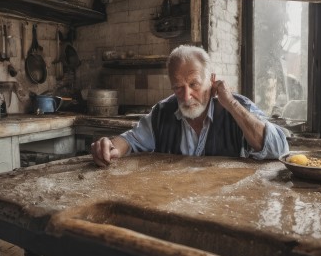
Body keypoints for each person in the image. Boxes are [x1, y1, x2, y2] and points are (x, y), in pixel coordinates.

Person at [91, 45, 289, 167]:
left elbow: (279, 149)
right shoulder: (162, 112)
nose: (186, 97)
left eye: (194, 84)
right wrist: (109, 147)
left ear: (211, 81)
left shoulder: (237, 107)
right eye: (178, 88)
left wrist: (232, 104)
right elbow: (130, 140)